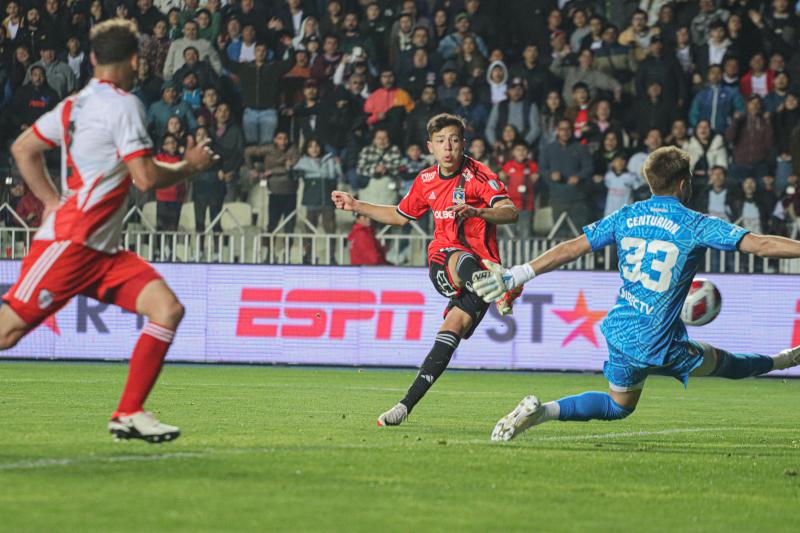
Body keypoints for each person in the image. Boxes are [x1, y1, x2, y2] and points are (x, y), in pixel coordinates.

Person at [472, 146, 800, 441]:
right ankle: (782, 359)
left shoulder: (626, 215)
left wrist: (518, 274)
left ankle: (541, 412)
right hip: (660, 343)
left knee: (619, 405)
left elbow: (572, 248)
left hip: (622, 330)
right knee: (723, 363)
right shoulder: (695, 224)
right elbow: (761, 245)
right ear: (684, 184)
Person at [3, 19, 215, 442]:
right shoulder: (124, 105)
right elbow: (146, 178)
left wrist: (49, 201)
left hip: (101, 251)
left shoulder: (76, 103)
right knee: (7, 332)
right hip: (72, 244)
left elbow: (23, 148)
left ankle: (129, 413)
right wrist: (189, 167)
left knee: (167, 309)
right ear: (137, 60)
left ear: (95, 58)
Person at [331, 113, 519, 426]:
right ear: (430, 146)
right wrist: (356, 205)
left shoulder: (479, 176)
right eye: (441, 141)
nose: (449, 147)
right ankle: (494, 284)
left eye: (455, 140)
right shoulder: (426, 181)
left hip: (482, 268)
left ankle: (403, 407)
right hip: (445, 261)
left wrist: (478, 211)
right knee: (459, 256)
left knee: (450, 334)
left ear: (463, 143)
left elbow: (510, 212)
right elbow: (401, 215)